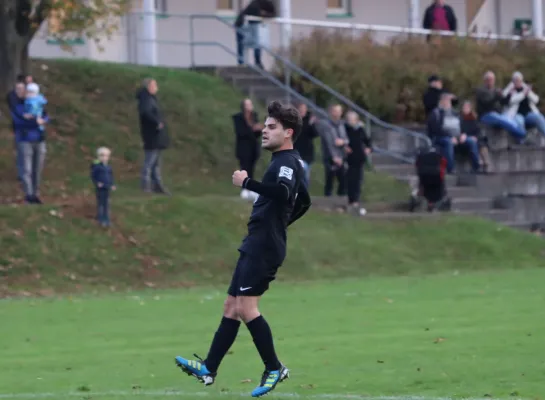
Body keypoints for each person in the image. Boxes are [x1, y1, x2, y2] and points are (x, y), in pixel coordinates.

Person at [175, 101, 311, 398]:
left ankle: (275, 368)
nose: (264, 130)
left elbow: (286, 193)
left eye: (271, 127)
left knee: (246, 308)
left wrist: (248, 182)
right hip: (257, 243)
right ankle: (209, 368)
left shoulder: (286, 162)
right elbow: (303, 202)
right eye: (265, 125)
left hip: (264, 247)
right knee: (231, 306)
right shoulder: (284, 161)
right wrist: (281, 222)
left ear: (288, 133)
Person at [427, 93, 480, 173]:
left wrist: (464, 134)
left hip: (457, 137)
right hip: (441, 137)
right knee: (449, 142)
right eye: (447, 101)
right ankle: (450, 169)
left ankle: (476, 168)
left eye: (450, 101)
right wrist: (451, 137)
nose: (449, 103)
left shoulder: (455, 113)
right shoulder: (436, 113)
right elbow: (436, 129)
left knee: (472, 141)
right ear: (442, 101)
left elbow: (462, 126)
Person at [136, 78, 170, 194]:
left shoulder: (150, 99)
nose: (156, 87)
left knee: (156, 163)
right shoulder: (146, 100)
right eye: (154, 85)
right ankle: (146, 186)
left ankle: (157, 186)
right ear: (148, 87)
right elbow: (146, 113)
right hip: (152, 136)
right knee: (149, 162)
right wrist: (157, 122)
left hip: (156, 136)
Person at [476, 71, 526, 142]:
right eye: (489, 79)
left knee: (509, 119)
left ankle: (520, 140)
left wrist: (509, 95)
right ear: (485, 81)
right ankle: (522, 134)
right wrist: (496, 96)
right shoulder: (481, 90)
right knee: (501, 119)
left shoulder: (495, 90)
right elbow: (486, 103)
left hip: (497, 114)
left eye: (492, 79)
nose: (491, 81)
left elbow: (504, 102)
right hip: (485, 115)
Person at [315, 104, 349, 197]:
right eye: (335, 111)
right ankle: (328, 201)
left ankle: (341, 201)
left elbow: (347, 138)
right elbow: (328, 142)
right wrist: (334, 156)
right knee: (330, 179)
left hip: (342, 156)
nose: (338, 113)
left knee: (343, 180)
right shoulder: (325, 125)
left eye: (339, 111)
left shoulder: (342, 125)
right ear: (331, 112)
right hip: (330, 156)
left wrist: (343, 142)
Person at [233, 98, 263, 200]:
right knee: (244, 167)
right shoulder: (238, 118)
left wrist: (259, 129)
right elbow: (240, 132)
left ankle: (250, 188)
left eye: (251, 103)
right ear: (244, 106)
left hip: (253, 147)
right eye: (248, 104)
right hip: (243, 148)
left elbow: (257, 134)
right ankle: (244, 189)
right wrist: (252, 129)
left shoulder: (254, 116)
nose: (251, 106)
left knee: (251, 168)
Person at [234, 0, 276, 68]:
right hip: (242, 24)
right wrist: (263, 14)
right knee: (247, 43)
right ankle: (246, 62)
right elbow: (256, 16)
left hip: (247, 24)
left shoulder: (259, 4)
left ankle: (255, 62)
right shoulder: (255, 5)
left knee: (255, 42)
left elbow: (273, 14)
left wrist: (263, 14)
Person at [345, 111, 372, 216]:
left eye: (352, 119)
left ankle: (355, 200)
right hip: (349, 158)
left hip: (359, 158)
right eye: (348, 119)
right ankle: (350, 199)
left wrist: (368, 149)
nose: (350, 121)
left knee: (358, 180)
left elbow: (368, 142)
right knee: (350, 179)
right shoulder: (345, 129)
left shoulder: (360, 129)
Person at [502, 71, 545, 137]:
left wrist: (528, 93)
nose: (517, 82)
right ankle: (522, 141)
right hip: (515, 114)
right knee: (519, 122)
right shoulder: (510, 89)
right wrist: (523, 94)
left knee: (539, 118)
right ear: (513, 81)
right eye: (515, 80)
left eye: (519, 80)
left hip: (528, 114)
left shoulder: (525, 88)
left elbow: (536, 100)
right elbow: (511, 101)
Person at [6, 78, 27, 181]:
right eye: (18, 87)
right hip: (18, 127)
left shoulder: (29, 96)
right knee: (21, 150)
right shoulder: (12, 96)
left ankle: (27, 172)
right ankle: (21, 174)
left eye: (22, 87)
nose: (20, 90)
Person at [461, 100, 490, 173]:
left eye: (467, 107)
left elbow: (478, 131)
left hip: (475, 137)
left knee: (482, 143)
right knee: (474, 143)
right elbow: (461, 131)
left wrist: (475, 137)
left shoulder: (474, 118)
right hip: (465, 138)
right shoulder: (460, 118)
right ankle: (479, 164)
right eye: (464, 107)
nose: (466, 109)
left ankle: (486, 163)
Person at [293, 102, 318, 186]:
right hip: (296, 151)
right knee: (297, 174)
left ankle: (304, 194)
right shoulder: (294, 121)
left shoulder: (309, 120)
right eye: (300, 110)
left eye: (304, 109)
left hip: (307, 153)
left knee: (305, 174)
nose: (302, 111)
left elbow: (315, 134)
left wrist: (311, 124)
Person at [91, 147, 116, 227]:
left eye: (106, 156)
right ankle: (101, 219)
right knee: (101, 203)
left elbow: (111, 177)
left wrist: (112, 184)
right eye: (102, 156)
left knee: (107, 204)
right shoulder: (97, 167)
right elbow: (93, 176)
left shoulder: (109, 167)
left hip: (107, 187)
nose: (104, 158)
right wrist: (97, 182)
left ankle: (107, 219)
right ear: (98, 157)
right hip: (100, 188)